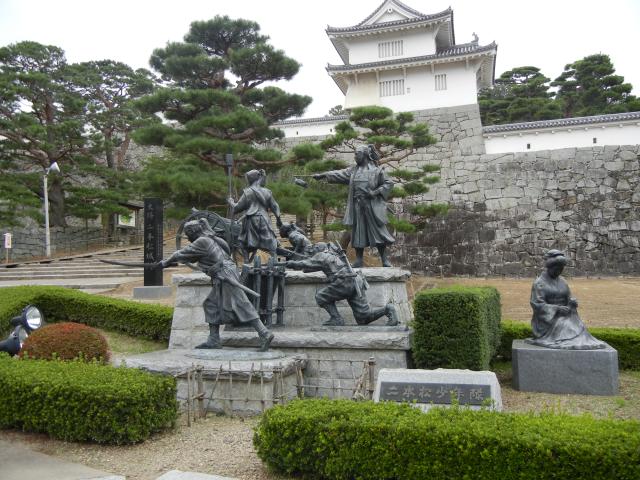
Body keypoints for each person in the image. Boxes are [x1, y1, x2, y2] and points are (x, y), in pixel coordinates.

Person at [160, 219, 274, 351]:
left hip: (224, 274)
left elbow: (180, 254)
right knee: (211, 305)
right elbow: (197, 256)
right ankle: (213, 340)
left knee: (241, 303)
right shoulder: (212, 239)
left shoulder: (202, 241)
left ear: (192, 232)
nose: (188, 238)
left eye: (188, 234)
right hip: (225, 272)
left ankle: (264, 333)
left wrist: (164, 263)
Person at [313, 145, 395, 267]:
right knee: (358, 233)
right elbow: (338, 174)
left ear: (365, 155)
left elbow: (389, 183)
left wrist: (375, 192)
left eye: (357, 154)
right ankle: (359, 260)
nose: (355, 156)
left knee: (378, 232)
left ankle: (384, 260)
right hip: (357, 205)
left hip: (372, 205)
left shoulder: (377, 171)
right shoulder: (353, 171)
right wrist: (323, 175)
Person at [284, 242, 398, 327]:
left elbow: (305, 263)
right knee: (363, 317)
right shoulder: (334, 255)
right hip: (356, 280)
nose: (312, 252)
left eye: (314, 249)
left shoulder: (321, 255)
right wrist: (301, 264)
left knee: (321, 296)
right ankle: (387, 309)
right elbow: (308, 268)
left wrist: (291, 263)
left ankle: (336, 319)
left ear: (318, 249)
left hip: (344, 281)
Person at [526, 249, 605, 350]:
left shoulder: (563, 281)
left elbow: (568, 297)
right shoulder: (539, 283)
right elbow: (537, 304)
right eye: (557, 269)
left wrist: (572, 302)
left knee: (577, 325)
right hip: (547, 321)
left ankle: (579, 342)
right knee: (568, 326)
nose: (559, 272)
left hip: (565, 315)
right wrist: (557, 309)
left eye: (561, 269)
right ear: (550, 267)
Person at [228, 169, 282, 261]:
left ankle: (246, 261)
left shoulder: (247, 192)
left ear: (249, 180)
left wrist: (231, 202)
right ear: (258, 178)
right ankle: (275, 260)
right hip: (264, 219)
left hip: (251, 219)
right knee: (270, 240)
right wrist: (278, 219)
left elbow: (237, 208)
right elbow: (275, 206)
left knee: (244, 241)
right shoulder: (267, 192)